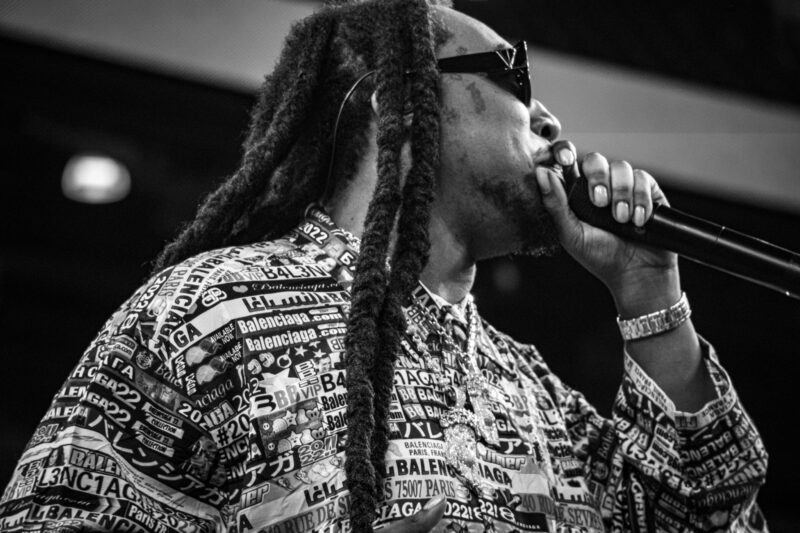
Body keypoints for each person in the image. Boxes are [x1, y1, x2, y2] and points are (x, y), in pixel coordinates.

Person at [0, 1, 768, 532]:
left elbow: (715, 520)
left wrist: (650, 294)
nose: (547, 115)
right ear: (397, 100)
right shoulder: (210, 312)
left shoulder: (537, 398)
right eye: (513, 72)